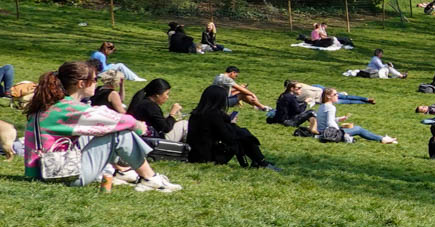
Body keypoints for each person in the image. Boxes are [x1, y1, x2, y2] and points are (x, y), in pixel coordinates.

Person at [21, 62, 180, 190]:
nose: (97, 83)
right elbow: (115, 120)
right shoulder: (68, 109)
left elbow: (100, 118)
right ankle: (149, 178)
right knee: (119, 134)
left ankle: (124, 171)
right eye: (95, 79)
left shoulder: (51, 106)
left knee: (103, 130)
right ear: (81, 83)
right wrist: (138, 125)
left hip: (40, 172)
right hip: (60, 175)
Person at [186, 83, 274, 169]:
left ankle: (259, 160)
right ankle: (260, 161)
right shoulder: (214, 115)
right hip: (208, 157)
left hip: (195, 155)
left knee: (241, 134)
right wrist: (232, 123)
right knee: (241, 135)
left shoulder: (196, 113)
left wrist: (227, 120)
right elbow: (228, 138)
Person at [314, 87, 398, 144]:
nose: (337, 95)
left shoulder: (322, 106)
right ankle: (382, 139)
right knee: (358, 129)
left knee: (353, 128)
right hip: (330, 133)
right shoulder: (331, 107)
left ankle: (382, 137)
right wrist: (339, 131)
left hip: (323, 131)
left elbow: (326, 120)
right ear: (328, 96)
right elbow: (330, 122)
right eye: (335, 94)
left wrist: (339, 119)